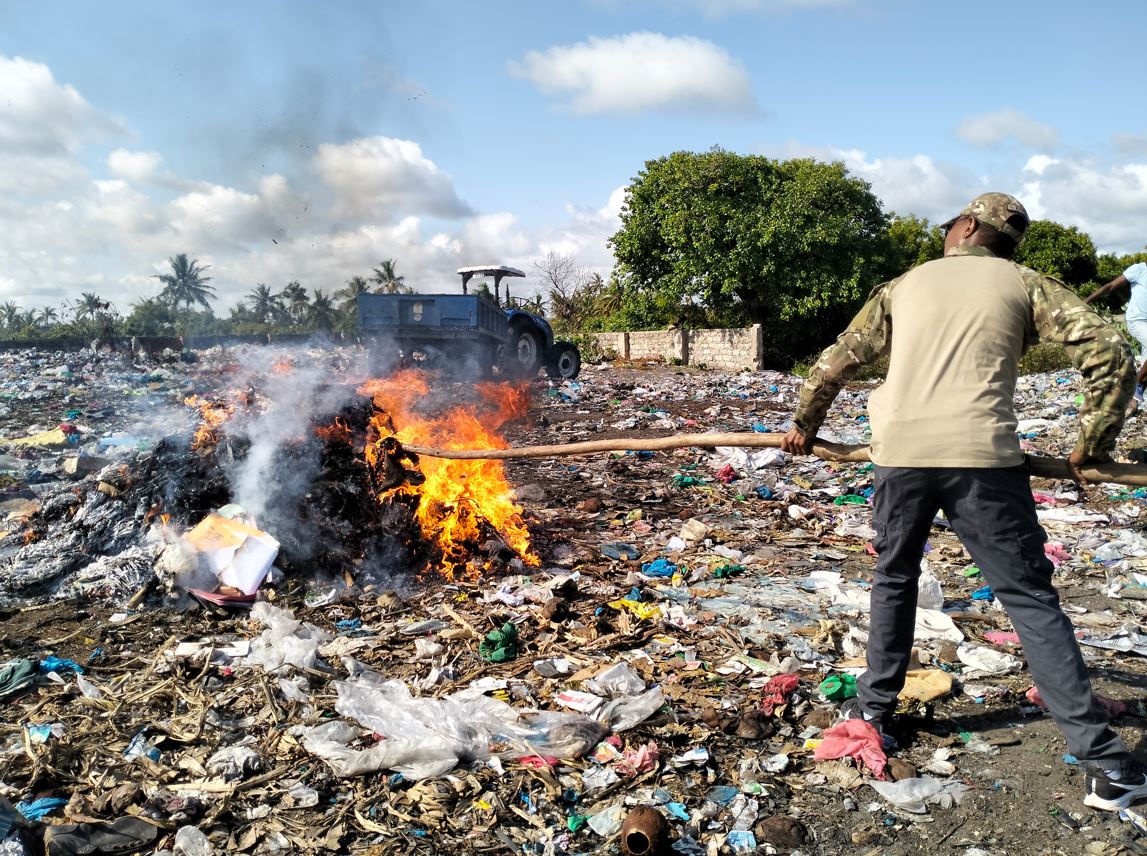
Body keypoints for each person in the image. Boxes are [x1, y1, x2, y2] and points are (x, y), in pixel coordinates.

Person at [780, 192, 1147, 811]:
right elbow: (1111, 353)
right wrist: (1092, 445)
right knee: (1029, 598)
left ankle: (874, 707)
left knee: (893, 578)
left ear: (968, 226)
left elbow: (836, 362)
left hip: (899, 455)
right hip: (985, 462)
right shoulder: (1028, 284)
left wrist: (804, 424)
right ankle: (1105, 766)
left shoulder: (903, 285)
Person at [1086, 261, 1147, 409]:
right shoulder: (1139, 269)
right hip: (1137, 320)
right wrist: (1086, 301)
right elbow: (1111, 286)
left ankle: (1136, 397)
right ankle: (1136, 387)